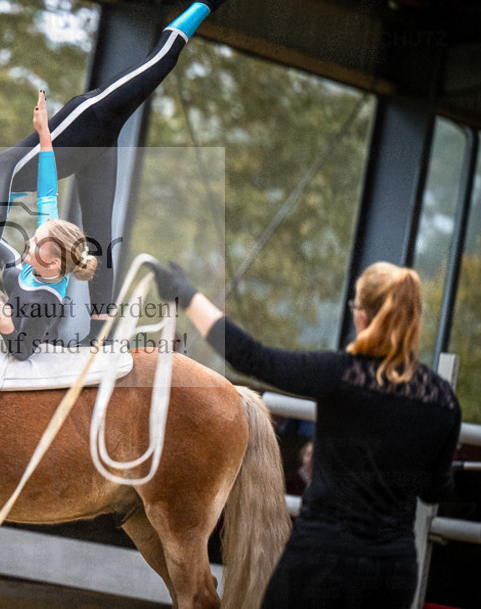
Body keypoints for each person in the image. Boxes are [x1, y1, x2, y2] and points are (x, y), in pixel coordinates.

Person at [0, 0, 249, 343]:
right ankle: (101, 331)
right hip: (94, 153)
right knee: (100, 233)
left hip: (92, 117)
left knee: (158, 65)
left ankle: (205, 1)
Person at [147, 260, 461, 608]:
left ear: (363, 317)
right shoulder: (442, 399)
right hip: (393, 571)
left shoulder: (341, 374)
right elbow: (436, 490)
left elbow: (250, 357)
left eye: (355, 305)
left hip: (323, 559)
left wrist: (187, 295)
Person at [0, 90, 98, 359]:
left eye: (35, 243)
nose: (29, 240)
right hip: (15, 298)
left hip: (27, 355)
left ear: (52, 263)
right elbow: (48, 188)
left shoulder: (46, 303)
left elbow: (22, 352)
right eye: (35, 237)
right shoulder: (49, 236)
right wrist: (44, 133)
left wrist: (4, 322)